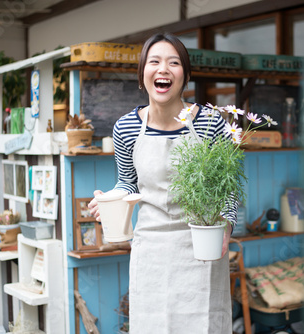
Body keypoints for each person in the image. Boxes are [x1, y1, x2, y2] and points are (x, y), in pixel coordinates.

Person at [88, 32, 237, 333]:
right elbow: (128, 183)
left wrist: (227, 227)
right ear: (143, 74)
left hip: (202, 245)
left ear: (185, 76)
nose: (163, 69)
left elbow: (229, 189)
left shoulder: (211, 123)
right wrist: (110, 200)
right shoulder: (126, 127)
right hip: (151, 249)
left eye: (174, 63)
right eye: (154, 61)